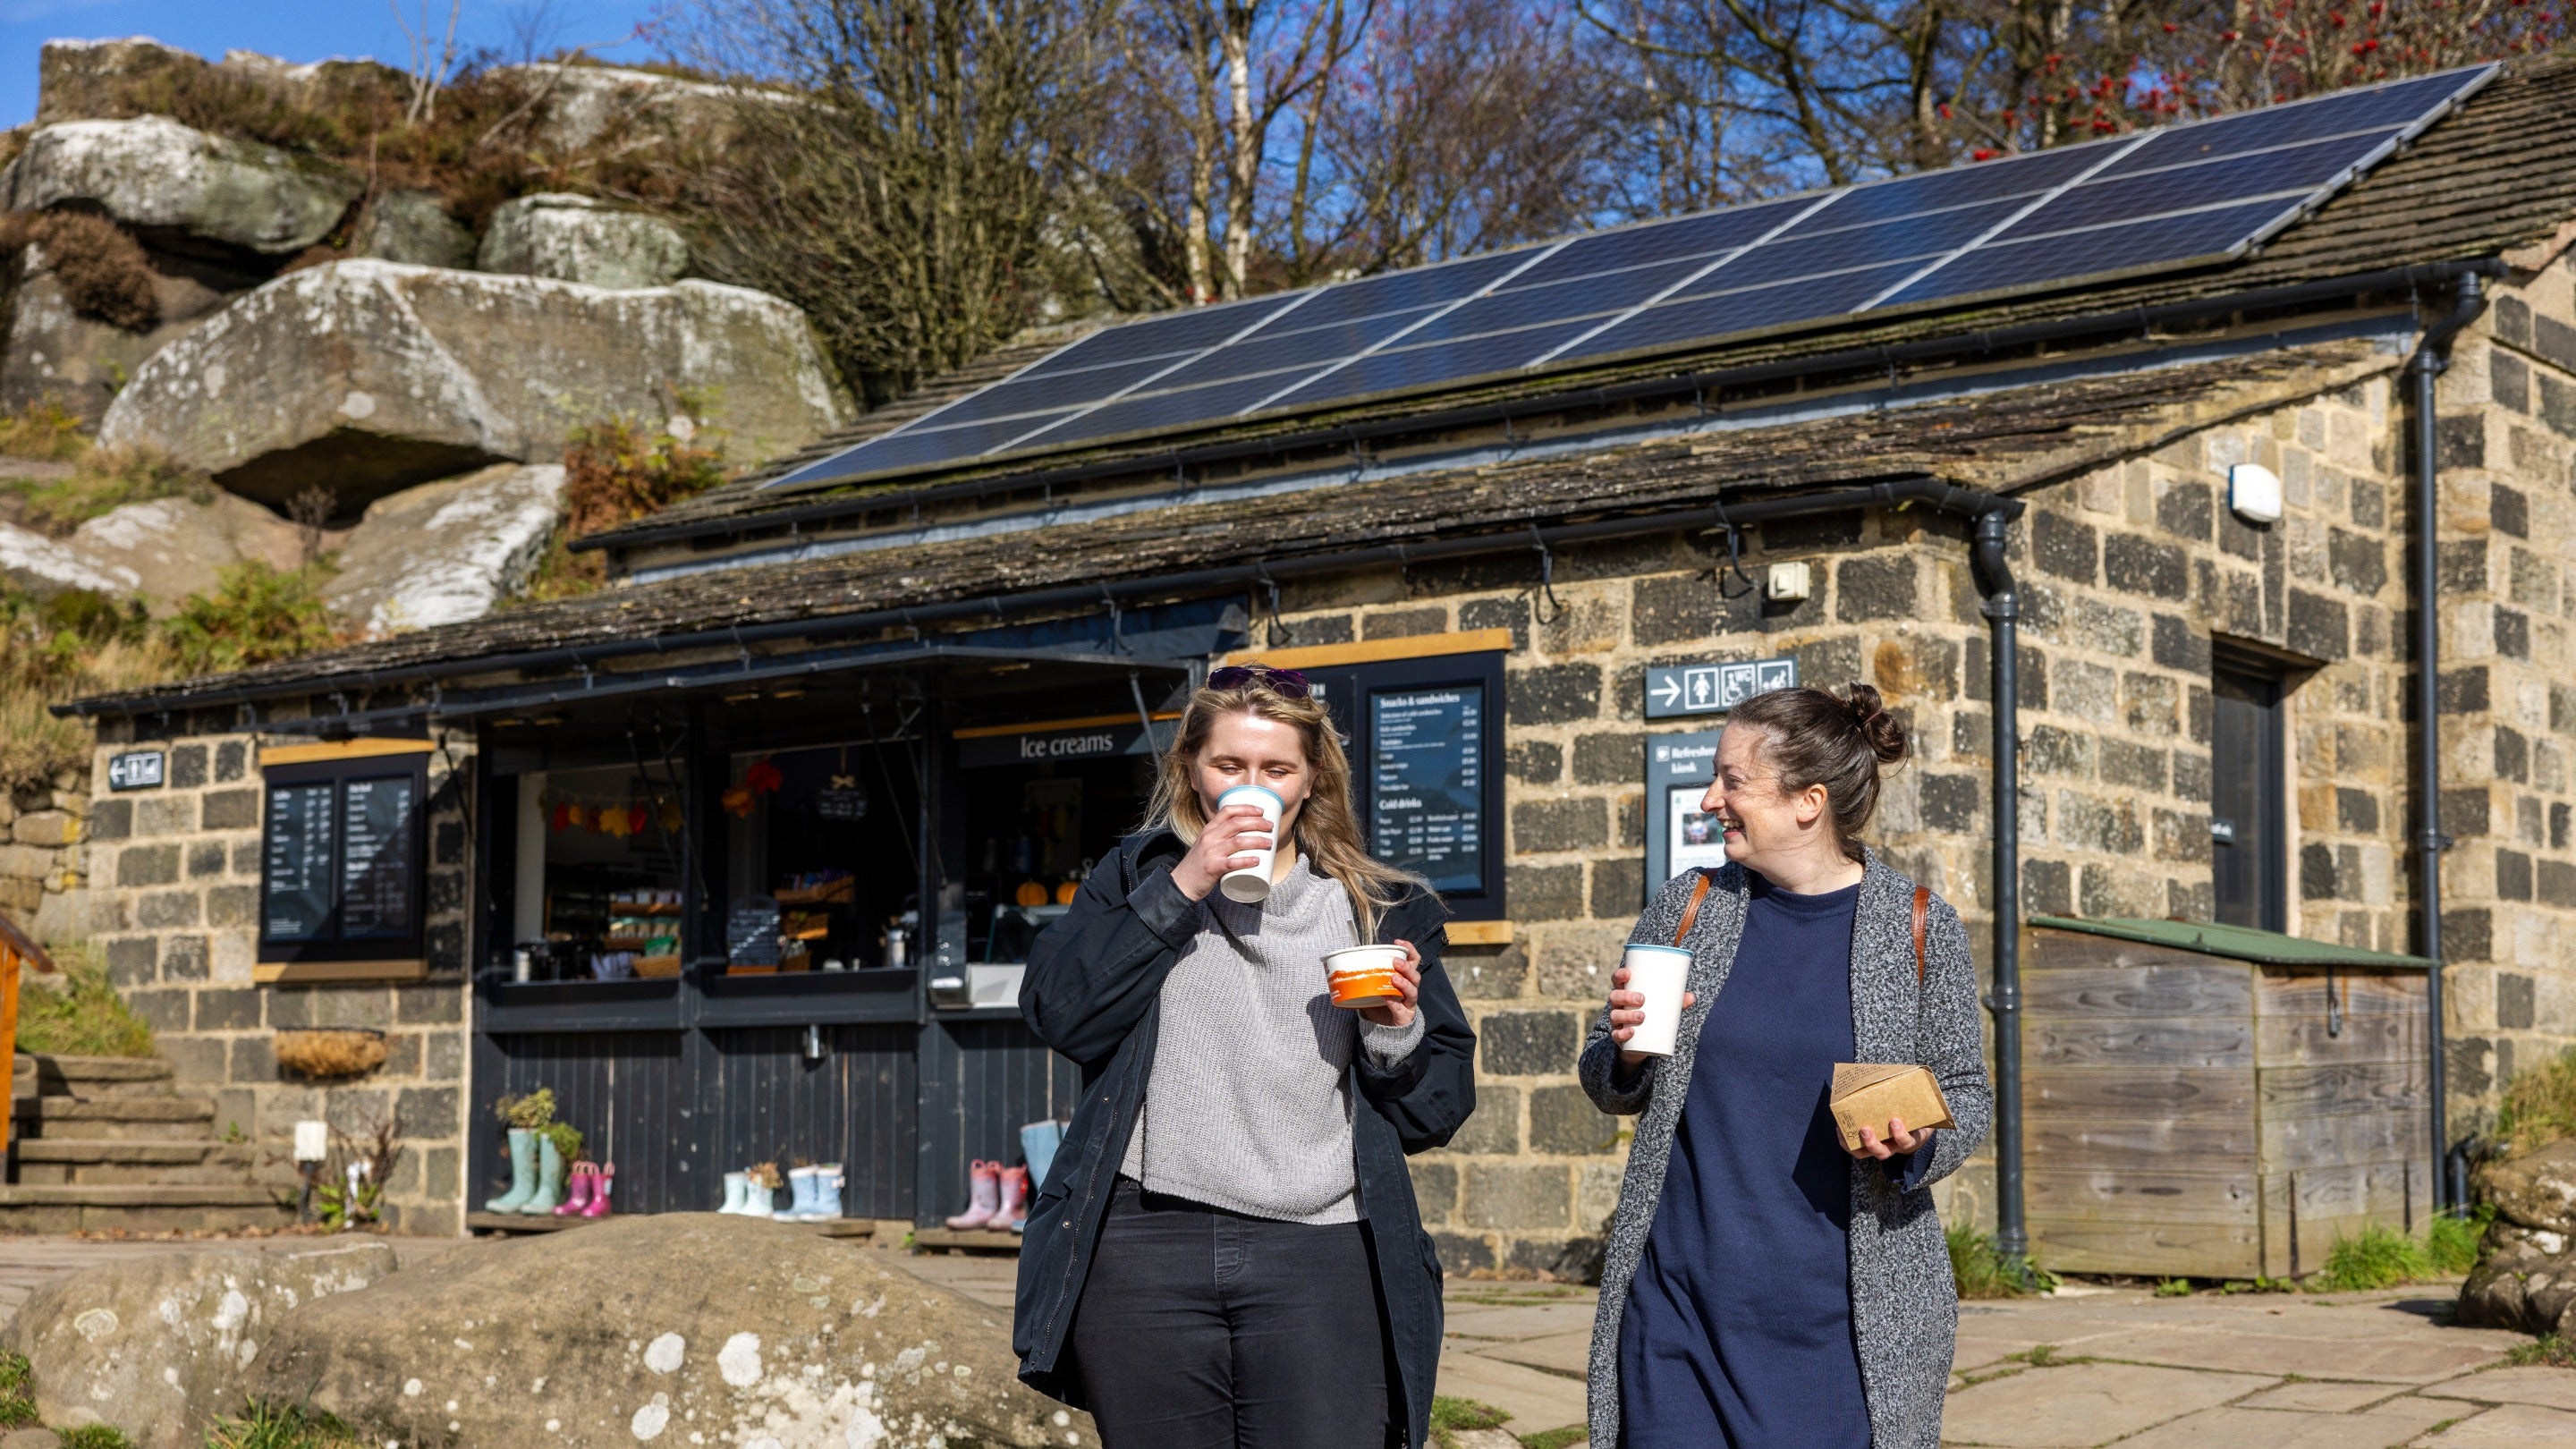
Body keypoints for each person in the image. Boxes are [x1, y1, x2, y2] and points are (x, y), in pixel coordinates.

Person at [1014, 663, 1477, 1449]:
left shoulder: (1382, 909)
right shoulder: (1132, 877)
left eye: (1276, 768)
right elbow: (1063, 1015)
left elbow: (1436, 1113)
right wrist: (1184, 884)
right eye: (1229, 765)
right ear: (1191, 770)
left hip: (1322, 1247)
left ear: (1311, 779)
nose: (1250, 784)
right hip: (1144, 1244)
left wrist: (1394, 1031)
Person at [1578, 682, 1992, 1449]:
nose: (1709, 798)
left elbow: (1966, 1093)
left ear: (1809, 801)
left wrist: (1917, 1143)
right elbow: (1606, 1074)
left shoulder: (1916, 925)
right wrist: (1627, 1051)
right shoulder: (1692, 905)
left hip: (1842, 1325)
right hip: (1679, 1310)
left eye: (1732, 780)